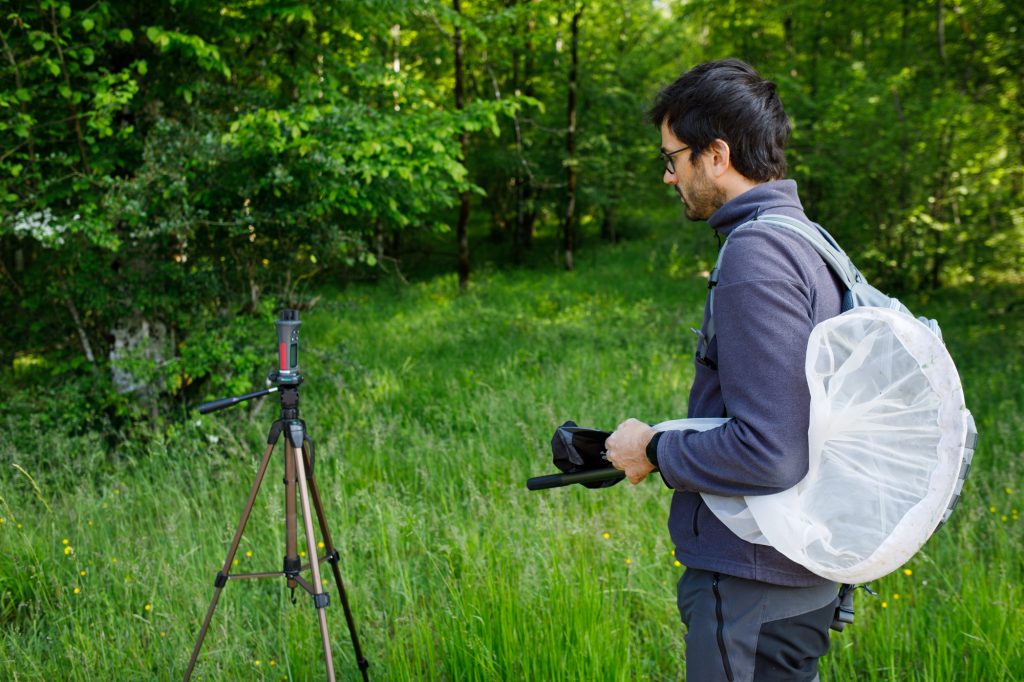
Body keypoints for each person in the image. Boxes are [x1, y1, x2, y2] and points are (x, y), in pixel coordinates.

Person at [604, 59, 844, 682]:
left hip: (751, 579)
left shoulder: (757, 255)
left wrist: (652, 449)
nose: (667, 176)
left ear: (715, 154)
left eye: (672, 157)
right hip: (792, 571)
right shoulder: (805, 238)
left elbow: (769, 452)